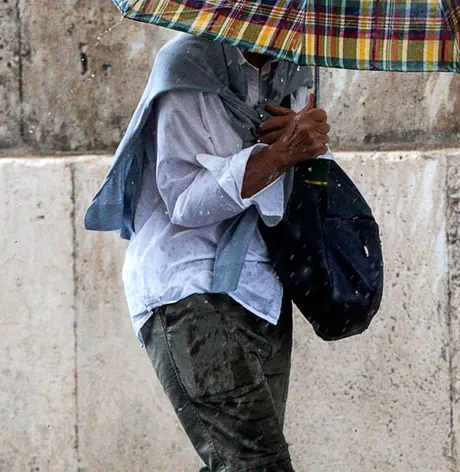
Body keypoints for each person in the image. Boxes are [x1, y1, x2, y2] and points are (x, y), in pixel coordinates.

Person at [94, 36, 332, 472]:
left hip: (263, 290)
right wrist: (277, 156)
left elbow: (296, 191)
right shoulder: (188, 66)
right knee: (258, 465)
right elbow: (184, 202)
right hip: (188, 286)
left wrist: (314, 144)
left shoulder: (298, 71)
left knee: (237, 461)